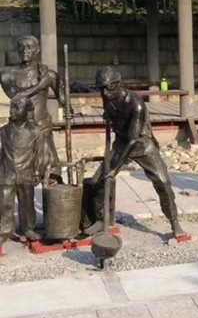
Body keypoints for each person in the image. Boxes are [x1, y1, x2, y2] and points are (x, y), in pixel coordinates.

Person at [82, 66, 186, 239]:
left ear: (118, 84)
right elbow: (116, 119)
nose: (104, 93)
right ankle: (101, 219)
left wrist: (114, 169)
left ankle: (174, 222)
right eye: (101, 88)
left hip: (142, 145)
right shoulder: (107, 97)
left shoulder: (136, 104)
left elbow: (133, 139)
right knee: (98, 180)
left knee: (162, 182)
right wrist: (109, 117)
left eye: (108, 88)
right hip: (121, 143)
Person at [0, 36, 62, 184]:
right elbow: (17, 98)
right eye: (21, 46)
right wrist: (41, 85)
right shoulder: (7, 74)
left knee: (51, 171)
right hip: (20, 131)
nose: (25, 50)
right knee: (17, 174)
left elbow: (63, 99)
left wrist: (60, 87)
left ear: (37, 50)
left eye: (29, 47)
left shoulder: (48, 74)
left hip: (42, 127)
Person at [0, 95, 42, 243]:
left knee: (27, 203)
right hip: (7, 173)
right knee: (5, 203)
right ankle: (5, 230)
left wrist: (37, 172)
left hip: (26, 173)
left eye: (17, 107)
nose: (12, 110)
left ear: (27, 111)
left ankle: (28, 228)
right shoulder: (3, 131)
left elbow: (39, 154)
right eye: (11, 107)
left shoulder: (35, 132)